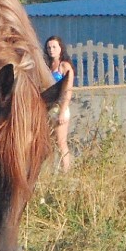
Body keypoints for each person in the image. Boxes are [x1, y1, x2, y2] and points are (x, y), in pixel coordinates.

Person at [44, 35, 74, 173]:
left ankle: (66, 171)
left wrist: (62, 111)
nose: (51, 50)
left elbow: (68, 90)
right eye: (49, 47)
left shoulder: (64, 66)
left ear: (61, 48)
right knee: (50, 143)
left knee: (61, 142)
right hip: (48, 108)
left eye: (54, 47)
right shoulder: (47, 66)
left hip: (60, 108)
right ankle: (53, 171)